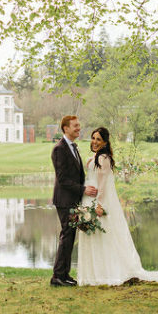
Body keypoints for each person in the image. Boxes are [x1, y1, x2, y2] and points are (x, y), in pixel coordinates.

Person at [76, 127, 158, 286]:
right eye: (93, 138)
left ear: (105, 142)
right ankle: (92, 274)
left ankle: (105, 273)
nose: (94, 142)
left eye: (98, 139)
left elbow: (103, 185)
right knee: (94, 237)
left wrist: (99, 205)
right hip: (88, 199)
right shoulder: (95, 157)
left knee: (103, 237)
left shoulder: (103, 158)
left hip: (97, 203)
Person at [50, 115, 97, 287]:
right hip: (64, 200)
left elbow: (76, 175)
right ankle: (57, 277)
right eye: (75, 126)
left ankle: (64, 274)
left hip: (73, 200)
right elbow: (62, 179)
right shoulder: (59, 149)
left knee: (69, 237)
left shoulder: (73, 147)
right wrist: (83, 189)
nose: (78, 128)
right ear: (65, 128)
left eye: (79, 125)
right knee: (66, 236)